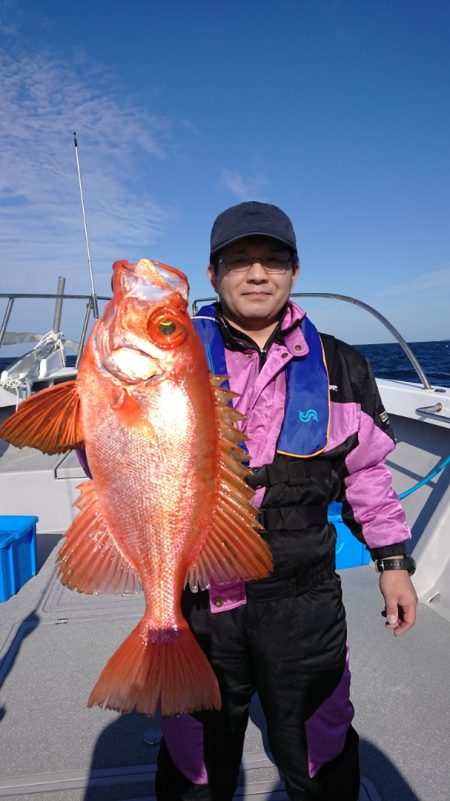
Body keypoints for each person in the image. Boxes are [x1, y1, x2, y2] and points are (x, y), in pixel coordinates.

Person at [154, 201, 418, 801]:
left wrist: (393, 563)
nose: (257, 273)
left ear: (294, 272)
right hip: (198, 595)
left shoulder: (342, 364)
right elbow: (116, 458)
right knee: (194, 758)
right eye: (239, 260)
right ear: (213, 273)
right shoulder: (168, 358)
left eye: (273, 260)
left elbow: (367, 475)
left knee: (320, 749)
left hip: (304, 597)